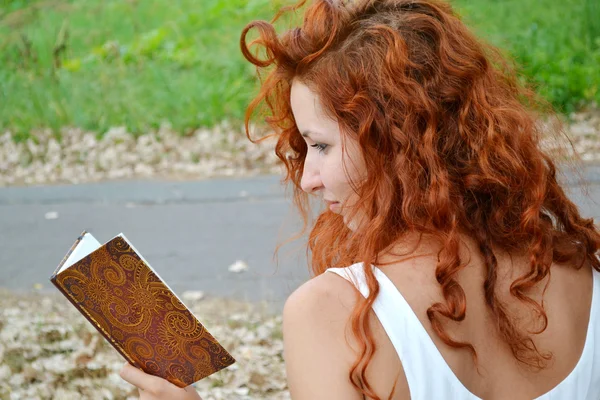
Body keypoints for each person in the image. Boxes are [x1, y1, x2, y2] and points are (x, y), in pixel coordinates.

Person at [119, 0, 600, 398]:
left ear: (398, 142)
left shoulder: (333, 314)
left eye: (321, 145)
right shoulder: (583, 274)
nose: (307, 179)